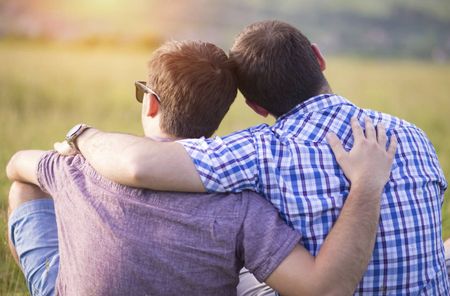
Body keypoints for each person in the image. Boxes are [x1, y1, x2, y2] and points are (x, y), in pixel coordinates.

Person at [69, 20, 449, 294]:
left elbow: (138, 165)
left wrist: (84, 136)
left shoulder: (260, 150)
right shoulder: (410, 133)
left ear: (255, 105)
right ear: (318, 58)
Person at [6, 40, 396, 296]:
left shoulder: (78, 169)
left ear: (151, 103)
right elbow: (318, 287)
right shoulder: (242, 203)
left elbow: (16, 165)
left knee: (23, 190)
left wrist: (66, 154)